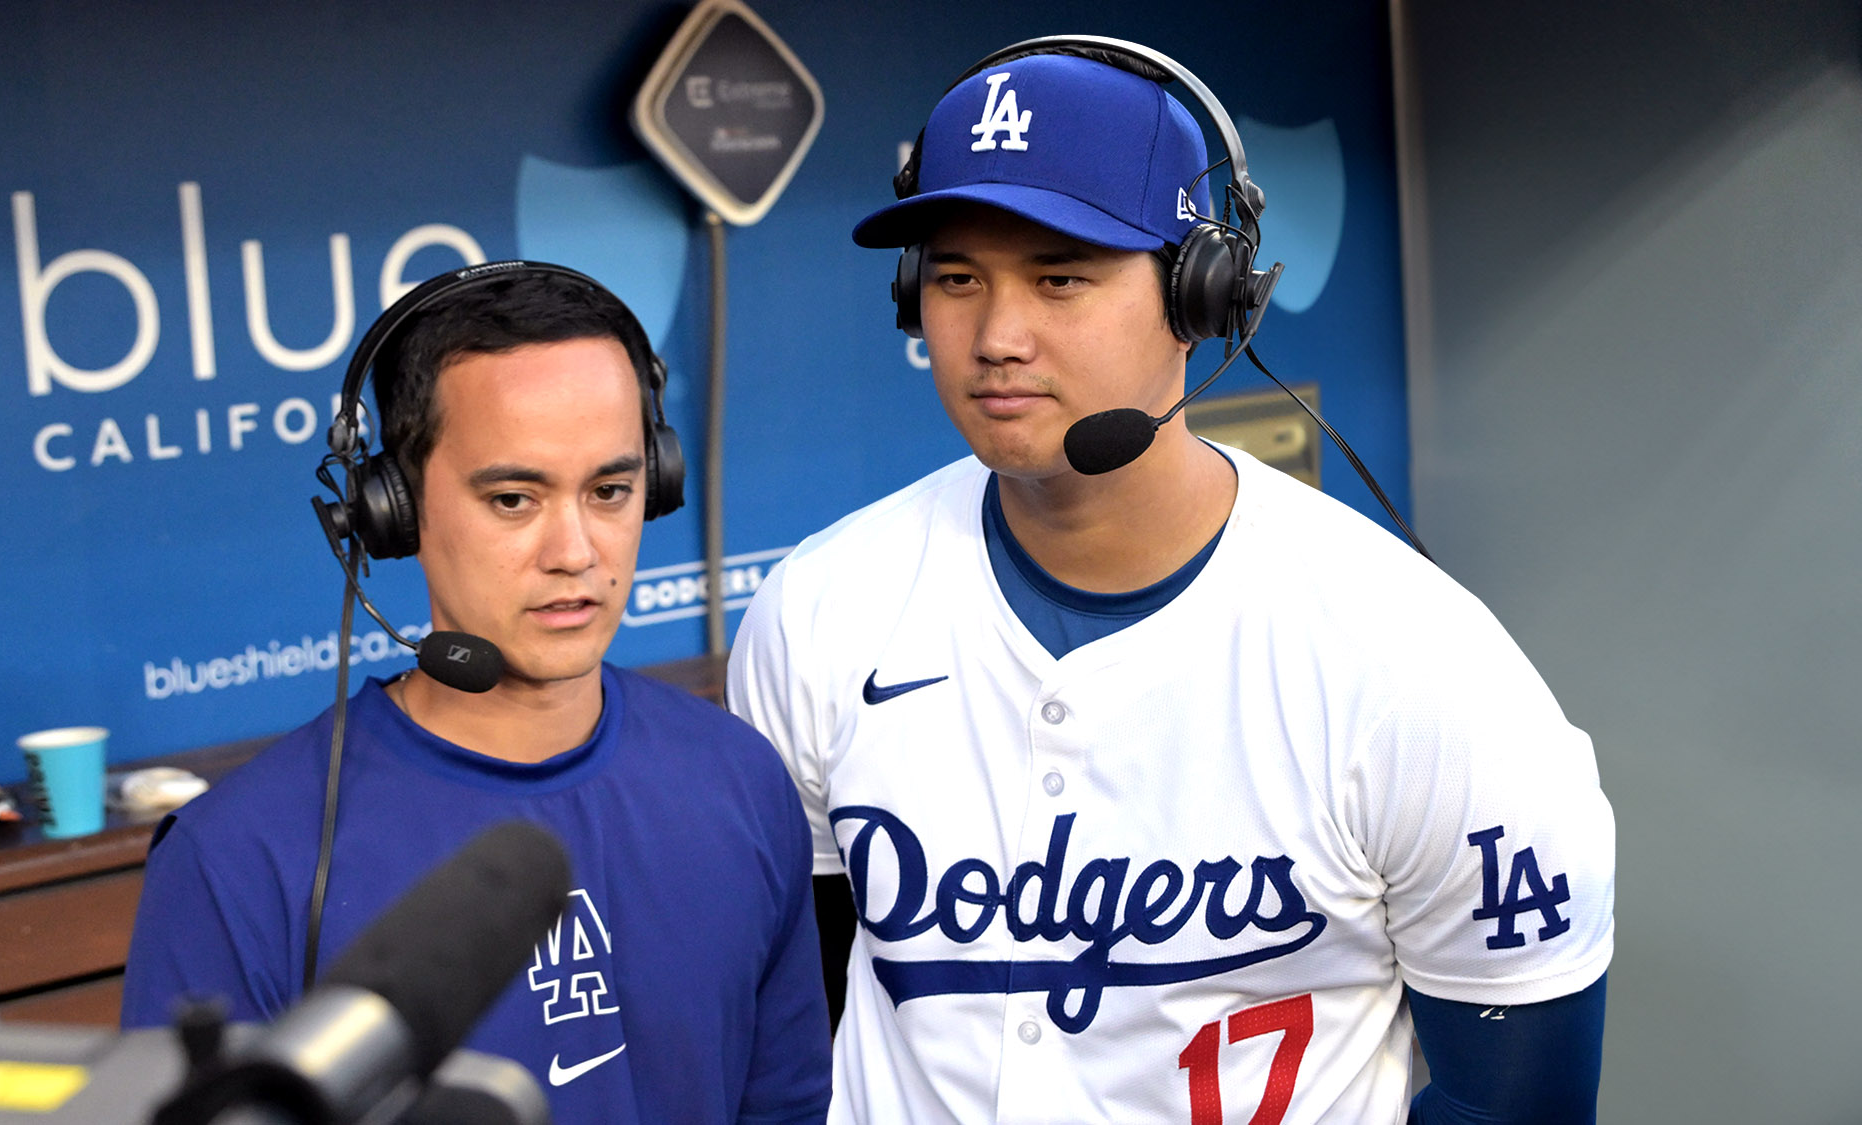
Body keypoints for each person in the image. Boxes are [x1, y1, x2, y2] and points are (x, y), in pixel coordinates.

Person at [727, 42, 1614, 1124]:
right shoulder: (818, 610)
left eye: (1061, 276)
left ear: (1203, 292)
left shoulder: (1419, 668)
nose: (997, 337)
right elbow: (793, 1032)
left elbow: (1511, 1108)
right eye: (957, 277)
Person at [123, 264, 832, 1125]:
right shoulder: (238, 859)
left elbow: (786, 1106)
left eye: (609, 491)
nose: (575, 549)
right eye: (512, 498)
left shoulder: (741, 780)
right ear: (394, 509)